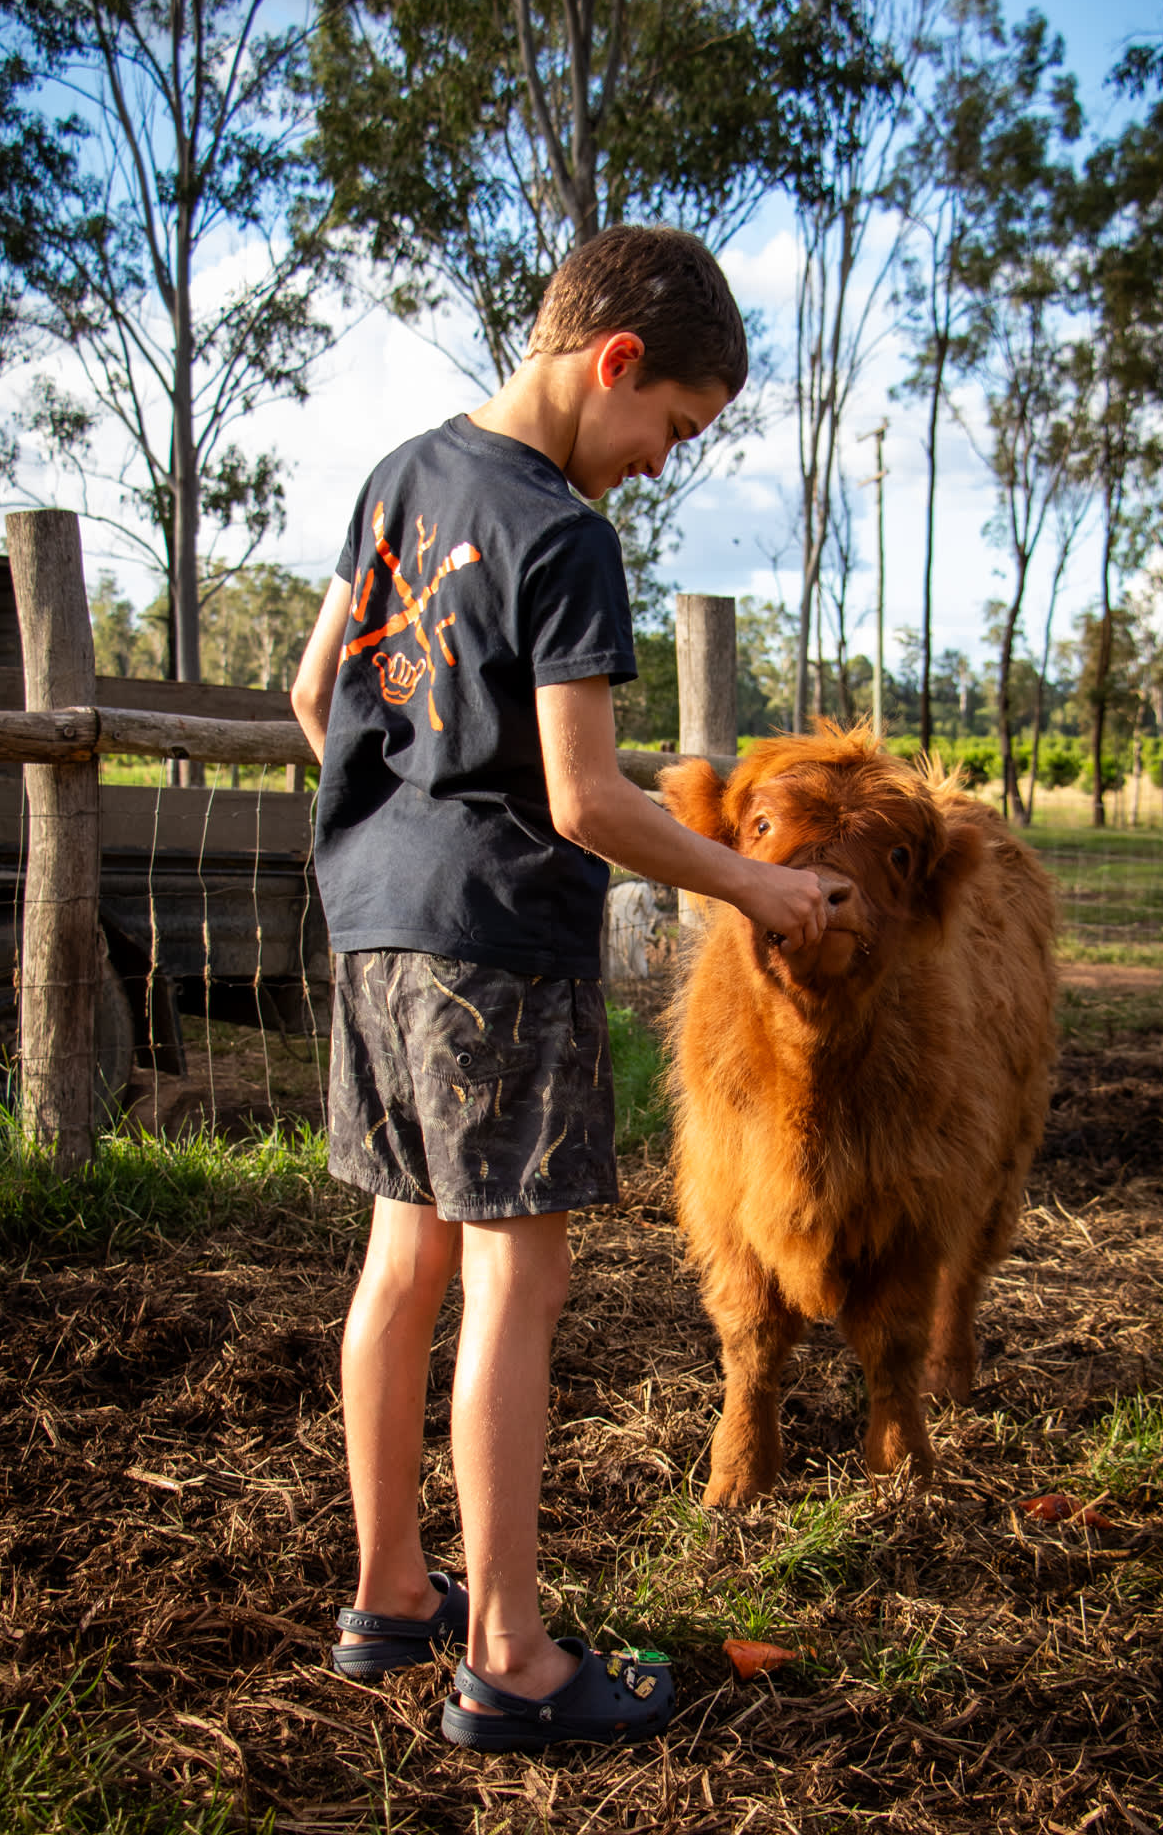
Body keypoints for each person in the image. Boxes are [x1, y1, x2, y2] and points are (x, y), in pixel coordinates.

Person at [291, 225, 835, 1753]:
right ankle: (512, 1655)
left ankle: (390, 1594)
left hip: (375, 925)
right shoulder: (560, 529)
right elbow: (590, 800)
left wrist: (401, 817)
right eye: (671, 427)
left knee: (403, 1264)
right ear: (614, 365)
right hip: (498, 940)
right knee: (513, 1288)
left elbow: (310, 691)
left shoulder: (399, 472)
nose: (661, 463)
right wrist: (762, 884)